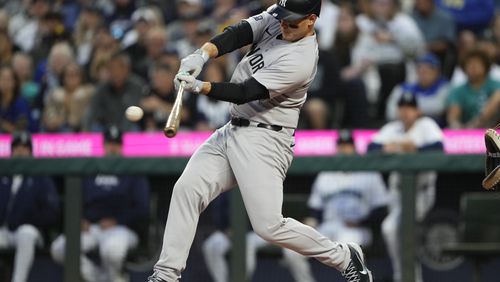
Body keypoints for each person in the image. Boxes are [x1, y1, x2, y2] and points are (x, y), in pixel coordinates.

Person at [148, 0, 373, 281]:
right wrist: (202, 54)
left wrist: (201, 86)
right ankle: (166, 274)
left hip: (266, 139)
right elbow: (240, 32)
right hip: (233, 129)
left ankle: (343, 256)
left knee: (268, 226)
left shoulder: (301, 59)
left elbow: (246, 91)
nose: (284, 24)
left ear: (311, 20)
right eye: (283, 18)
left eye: (292, 22)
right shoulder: (279, 18)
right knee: (187, 189)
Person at [275, 130, 389, 282]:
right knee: (291, 250)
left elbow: (381, 209)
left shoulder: (369, 173)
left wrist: (362, 222)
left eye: (347, 146)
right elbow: (315, 210)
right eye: (341, 146)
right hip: (328, 227)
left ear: (354, 148)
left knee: (347, 246)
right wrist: (311, 223)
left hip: (356, 229)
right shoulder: (325, 174)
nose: (344, 150)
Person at [51, 126, 150, 282]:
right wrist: (79, 219)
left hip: (121, 228)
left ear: (122, 147)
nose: (112, 148)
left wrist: (117, 220)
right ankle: (98, 278)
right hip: (91, 228)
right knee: (59, 249)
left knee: (112, 251)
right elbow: (75, 198)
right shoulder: (90, 169)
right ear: (103, 146)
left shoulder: (133, 171)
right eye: (109, 144)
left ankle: (114, 277)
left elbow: (142, 208)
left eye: (116, 144)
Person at [368, 93, 444, 282]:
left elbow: (439, 148)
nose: (405, 111)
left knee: (395, 229)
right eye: (402, 107)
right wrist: (390, 148)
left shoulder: (426, 126)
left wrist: (415, 149)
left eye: (409, 108)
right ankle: (404, 275)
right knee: (396, 231)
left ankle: (406, 276)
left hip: (421, 193)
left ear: (417, 110)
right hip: (396, 192)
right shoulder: (392, 129)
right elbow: (370, 148)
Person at [0, 131, 60, 282]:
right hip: (5, 231)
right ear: (11, 151)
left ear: (31, 152)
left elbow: (51, 212)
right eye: (17, 148)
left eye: (25, 148)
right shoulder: (4, 176)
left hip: (31, 230)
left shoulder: (41, 177)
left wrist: (27, 219)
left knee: (25, 234)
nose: (20, 152)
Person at [386, 53, 450, 125]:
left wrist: (409, 110)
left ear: (436, 72)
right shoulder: (403, 88)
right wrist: (413, 112)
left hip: (436, 127)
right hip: (404, 127)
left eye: (427, 71)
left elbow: (439, 107)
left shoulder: (445, 86)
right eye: (420, 70)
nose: (423, 74)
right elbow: (390, 112)